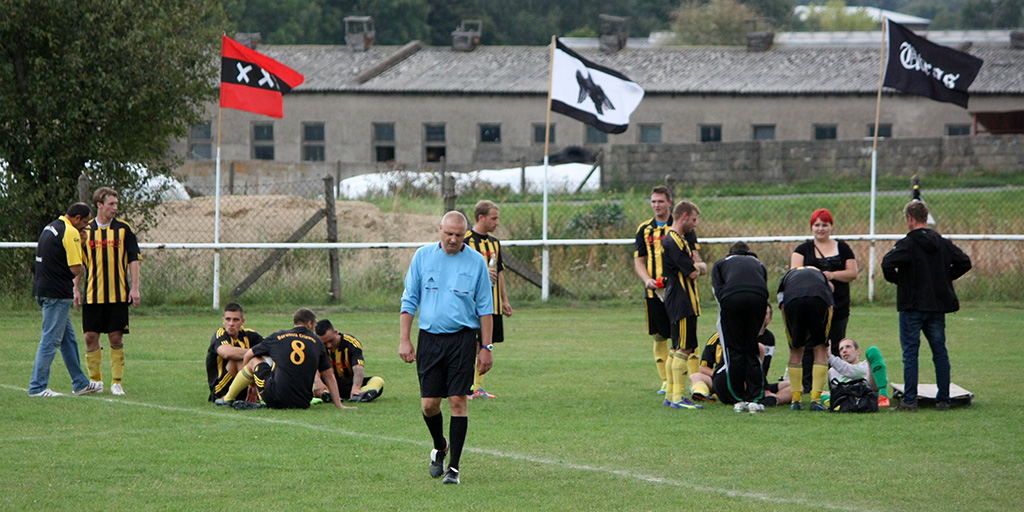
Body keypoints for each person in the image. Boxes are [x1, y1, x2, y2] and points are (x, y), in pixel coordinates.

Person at [400, 211, 494, 485]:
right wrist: (405, 339)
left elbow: (485, 308)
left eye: (459, 235)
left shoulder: (476, 262)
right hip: (429, 338)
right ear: (439, 229)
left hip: (463, 340)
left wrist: (486, 347)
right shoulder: (422, 257)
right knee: (430, 405)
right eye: (448, 234)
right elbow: (409, 300)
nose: (453, 239)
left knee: (457, 401)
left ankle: (453, 468)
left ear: (465, 234)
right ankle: (440, 446)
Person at [881, 200, 971, 412]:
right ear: (926, 216)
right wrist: (944, 279)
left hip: (912, 305)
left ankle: (910, 400)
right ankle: (943, 399)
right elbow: (964, 262)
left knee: (911, 353)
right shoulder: (941, 242)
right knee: (940, 351)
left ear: (910, 219)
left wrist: (899, 281)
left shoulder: (908, 243)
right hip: (937, 306)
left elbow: (887, 263)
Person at [633, 186, 705, 396]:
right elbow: (639, 260)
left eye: (660, 201)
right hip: (656, 292)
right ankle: (668, 383)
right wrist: (647, 280)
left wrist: (698, 267)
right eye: (653, 201)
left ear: (670, 203)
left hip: (678, 290)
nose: (656, 205)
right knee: (661, 336)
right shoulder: (645, 229)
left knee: (684, 340)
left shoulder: (682, 229)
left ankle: (692, 381)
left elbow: (694, 259)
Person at [28, 202, 104, 397]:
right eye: (85, 222)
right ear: (76, 218)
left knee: (68, 339)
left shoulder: (52, 226)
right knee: (51, 340)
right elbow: (77, 268)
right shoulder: (70, 232)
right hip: (57, 294)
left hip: (42, 289)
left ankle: (80, 383)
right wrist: (82, 242)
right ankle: (37, 387)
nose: (86, 226)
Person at [215, 308, 353, 410]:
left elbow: (248, 355)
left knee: (255, 361)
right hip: (303, 403)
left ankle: (228, 398)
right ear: (310, 324)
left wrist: (252, 385)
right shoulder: (317, 342)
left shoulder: (278, 337)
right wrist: (339, 405)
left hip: (276, 397)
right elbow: (328, 375)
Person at [81, 187, 141, 396]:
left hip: (118, 294)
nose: (115, 208)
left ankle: (117, 381)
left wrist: (135, 288)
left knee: (115, 337)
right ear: (99, 204)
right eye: (111, 204)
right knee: (90, 336)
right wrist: (75, 288)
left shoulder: (124, 230)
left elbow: (133, 259)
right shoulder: (85, 231)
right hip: (92, 294)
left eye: (116, 204)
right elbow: (78, 262)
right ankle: (95, 381)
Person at [790, 208, 857, 395]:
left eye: (824, 225)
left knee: (835, 345)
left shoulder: (843, 248)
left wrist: (833, 275)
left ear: (831, 226)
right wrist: (819, 278)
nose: (821, 229)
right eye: (817, 225)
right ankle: (808, 386)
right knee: (810, 345)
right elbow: (794, 274)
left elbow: (852, 273)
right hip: (811, 307)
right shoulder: (802, 250)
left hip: (839, 306)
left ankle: (835, 384)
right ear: (811, 227)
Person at [710, 242, 769, 412]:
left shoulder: (721, 264)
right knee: (751, 348)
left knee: (733, 350)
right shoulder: (758, 264)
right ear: (748, 252)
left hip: (731, 299)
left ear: (730, 253)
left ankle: (738, 398)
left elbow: (718, 292)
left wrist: (729, 308)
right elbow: (763, 286)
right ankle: (755, 398)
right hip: (758, 299)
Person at [463, 200, 512, 400]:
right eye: (494, 218)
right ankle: (466, 386)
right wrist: (482, 275)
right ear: (481, 217)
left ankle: (477, 388)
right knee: (470, 346)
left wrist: (505, 300)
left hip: (492, 305)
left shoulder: (494, 243)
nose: (497, 222)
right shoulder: (464, 241)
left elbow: (499, 273)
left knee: (486, 344)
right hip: (471, 306)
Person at [660, 201, 705, 410]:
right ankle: (678, 397)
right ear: (684, 216)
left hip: (678, 298)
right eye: (694, 220)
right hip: (682, 300)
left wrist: (696, 264)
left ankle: (670, 394)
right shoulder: (674, 241)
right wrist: (701, 267)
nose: (695, 224)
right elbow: (693, 271)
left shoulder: (678, 239)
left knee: (676, 348)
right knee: (684, 348)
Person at [777, 266, 834, 411]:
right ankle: (815, 400)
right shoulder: (820, 275)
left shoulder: (787, 278)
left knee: (796, 350)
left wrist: (790, 329)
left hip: (793, 302)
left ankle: (796, 401)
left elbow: (782, 304)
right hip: (819, 299)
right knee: (820, 348)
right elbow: (831, 293)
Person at [314, 319, 385, 402]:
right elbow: (315, 367)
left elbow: (358, 368)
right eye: (324, 343)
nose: (329, 345)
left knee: (377, 380)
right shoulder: (316, 345)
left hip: (349, 384)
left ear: (336, 332)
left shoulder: (351, 343)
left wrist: (356, 387)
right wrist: (318, 383)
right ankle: (326, 394)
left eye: (331, 341)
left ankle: (359, 394)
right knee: (310, 381)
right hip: (328, 383)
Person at [206, 302, 263, 402]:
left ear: (242, 321)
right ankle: (228, 398)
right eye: (228, 319)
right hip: (220, 390)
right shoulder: (220, 334)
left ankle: (263, 394)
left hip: (243, 385)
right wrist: (253, 353)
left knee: (262, 361)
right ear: (223, 320)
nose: (231, 323)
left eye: (235, 320)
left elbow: (269, 348)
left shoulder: (249, 335)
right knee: (237, 360)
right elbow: (227, 353)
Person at [827, 337, 890, 408]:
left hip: (867, 393)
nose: (844, 350)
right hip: (846, 397)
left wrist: (830, 358)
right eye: (841, 349)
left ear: (858, 351)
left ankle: (883, 396)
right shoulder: (832, 371)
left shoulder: (865, 365)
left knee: (873, 351)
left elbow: (852, 371)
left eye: (848, 347)